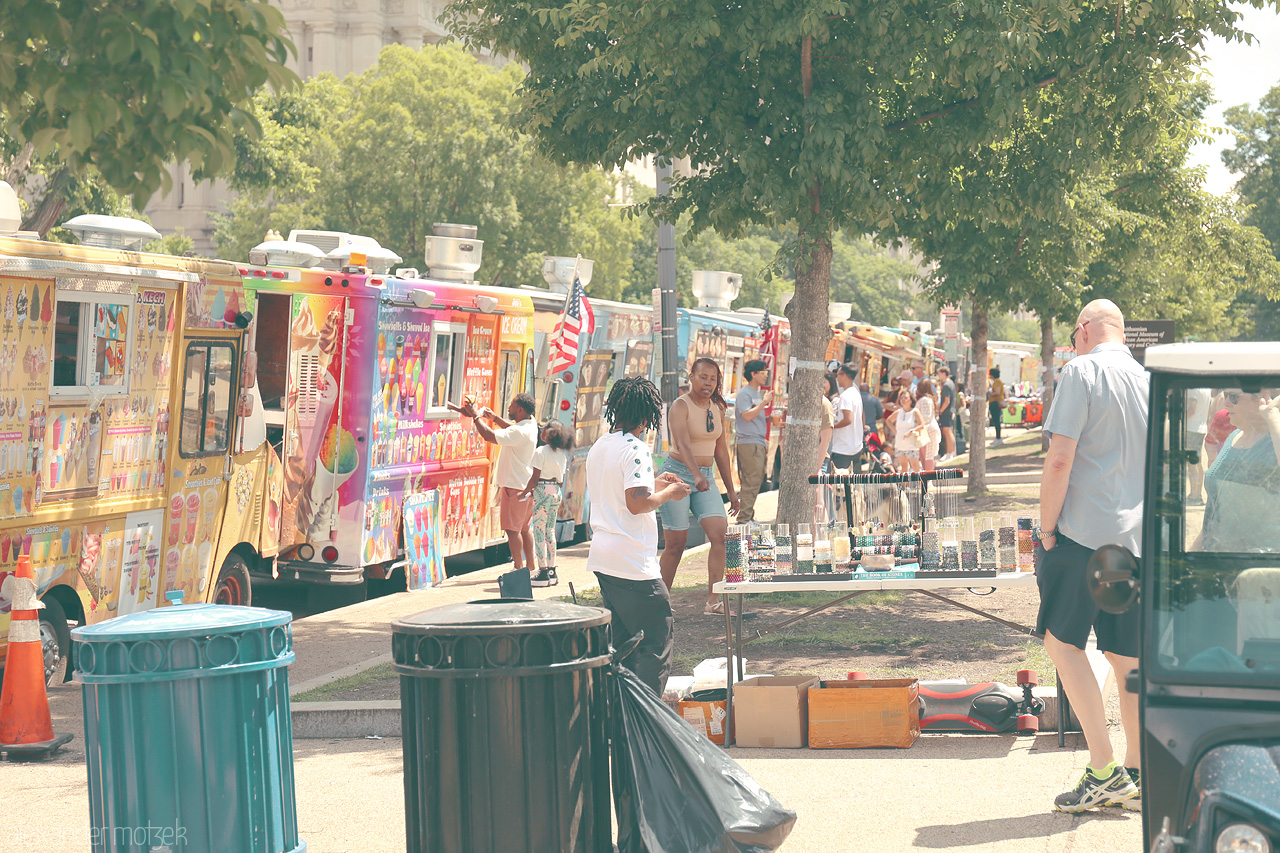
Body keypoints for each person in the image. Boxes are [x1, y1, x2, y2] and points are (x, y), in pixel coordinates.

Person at [1036, 298, 1147, 813]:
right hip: (1134, 538)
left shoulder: (1081, 372)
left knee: (1062, 645)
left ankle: (1102, 769)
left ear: (1083, 332)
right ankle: (1138, 769)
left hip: (1083, 535)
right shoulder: (1148, 381)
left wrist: (1046, 529)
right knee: (1128, 660)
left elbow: (1060, 458)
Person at [586, 376, 691, 695]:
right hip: (632, 561)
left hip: (605, 558)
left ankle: (618, 718)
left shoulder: (602, 445)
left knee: (622, 645)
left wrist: (655, 484)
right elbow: (637, 504)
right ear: (648, 414)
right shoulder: (635, 448)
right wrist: (671, 492)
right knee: (657, 642)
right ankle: (647, 720)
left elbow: (619, 491)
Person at [658, 357, 740, 616]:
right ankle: (658, 604)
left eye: (713, 379)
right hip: (677, 475)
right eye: (703, 377)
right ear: (691, 376)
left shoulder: (717, 407)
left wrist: (731, 490)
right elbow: (682, 443)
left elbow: (721, 451)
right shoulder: (680, 406)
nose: (708, 383)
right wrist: (695, 476)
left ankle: (713, 602)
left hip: (705, 476)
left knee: (721, 537)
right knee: (676, 545)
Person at [459, 393, 538, 573]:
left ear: (520, 409)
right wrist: (495, 418)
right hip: (525, 484)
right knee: (525, 529)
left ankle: (519, 569)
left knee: (512, 530)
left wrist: (476, 416)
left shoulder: (519, 431)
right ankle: (531, 568)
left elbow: (490, 436)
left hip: (514, 486)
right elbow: (511, 428)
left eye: (512, 406)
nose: (509, 408)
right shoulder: (531, 424)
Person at [1196, 388, 1280, 552]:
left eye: (1233, 397)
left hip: (1260, 565)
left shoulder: (1275, 441)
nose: (1226, 403)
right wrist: (1194, 553)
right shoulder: (1234, 436)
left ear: (1262, 397)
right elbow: (1216, 509)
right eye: (1226, 395)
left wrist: (1272, 418)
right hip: (1218, 558)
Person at [520, 420, 573, 587]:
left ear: (547, 434)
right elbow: (561, 482)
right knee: (550, 531)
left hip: (542, 490)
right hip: (556, 492)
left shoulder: (540, 451)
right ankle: (552, 571)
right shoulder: (561, 455)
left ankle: (542, 573)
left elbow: (534, 478)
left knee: (538, 530)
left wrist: (523, 493)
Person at [733, 359, 773, 523]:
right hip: (749, 443)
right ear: (753, 374)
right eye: (762, 373)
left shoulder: (755, 393)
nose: (766, 376)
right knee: (751, 480)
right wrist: (764, 402)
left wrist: (769, 419)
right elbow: (747, 416)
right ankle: (744, 519)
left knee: (755, 480)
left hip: (757, 442)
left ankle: (748, 516)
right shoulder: (745, 393)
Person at [830, 363, 865, 470]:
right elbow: (862, 415)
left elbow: (848, 419)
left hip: (843, 449)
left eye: (838, 375)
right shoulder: (855, 393)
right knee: (853, 483)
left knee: (839, 483)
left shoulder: (845, 396)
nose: (836, 378)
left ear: (844, 375)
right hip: (856, 447)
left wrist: (832, 426)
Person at [914, 379, 942, 472]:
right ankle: (926, 476)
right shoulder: (925, 399)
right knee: (923, 455)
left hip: (928, 429)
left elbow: (926, 417)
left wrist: (916, 423)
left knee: (928, 455)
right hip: (924, 429)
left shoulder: (925, 400)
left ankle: (929, 478)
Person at [892, 389, 922, 472]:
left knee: (915, 467)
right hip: (900, 443)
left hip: (911, 444)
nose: (903, 400)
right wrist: (895, 431)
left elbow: (922, 425)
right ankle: (905, 485)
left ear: (911, 399)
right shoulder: (898, 412)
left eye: (905, 397)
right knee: (903, 467)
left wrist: (911, 431)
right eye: (901, 397)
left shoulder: (915, 412)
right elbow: (888, 421)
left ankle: (921, 484)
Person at [937, 366, 957, 460]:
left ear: (944, 373)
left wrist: (940, 411)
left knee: (947, 431)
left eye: (939, 374)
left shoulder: (946, 385)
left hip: (946, 411)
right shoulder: (951, 384)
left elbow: (946, 400)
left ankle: (950, 452)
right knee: (948, 431)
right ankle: (951, 451)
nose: (939, 376)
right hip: (950, 411)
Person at [988, 367, 1006, 446]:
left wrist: (989, 394)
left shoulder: (997, 382)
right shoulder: (995, 382)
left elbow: (997, 392)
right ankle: (997, 437)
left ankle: (998, 438)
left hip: (996, 402)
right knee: (995, 421)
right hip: (994, 402)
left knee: (996, 420)